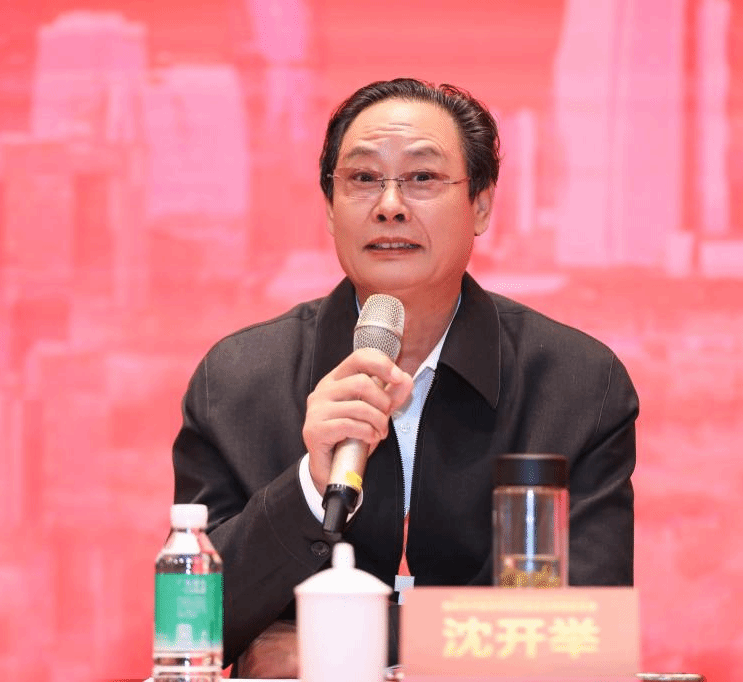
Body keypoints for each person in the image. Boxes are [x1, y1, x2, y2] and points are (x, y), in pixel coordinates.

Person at [172, 78, 638, 678]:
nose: (389, 205)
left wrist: (342, 641)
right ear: (330, 208)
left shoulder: (579, 385)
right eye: (364, 178)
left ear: (481, 205)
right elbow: (194, 624)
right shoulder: (237, 382)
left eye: (422, 177)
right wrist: (309, 486)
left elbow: (585, 632)